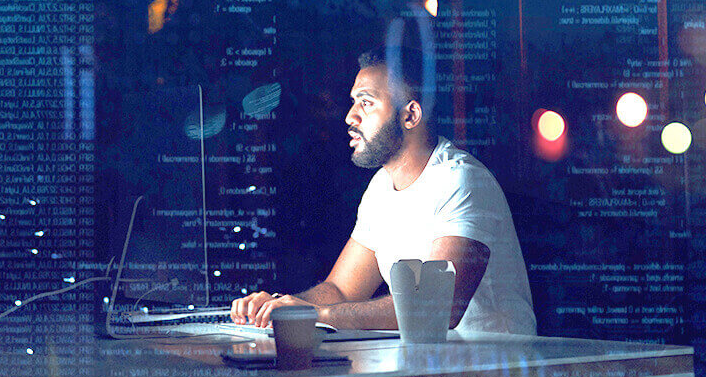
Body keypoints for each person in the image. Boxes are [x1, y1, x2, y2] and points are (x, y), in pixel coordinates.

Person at [230, 46, 537, 335]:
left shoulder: (461, 180)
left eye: (366, 103)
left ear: (410, 115)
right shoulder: (380, 188)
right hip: (430, 365)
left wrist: (315, 315)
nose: (350, 117)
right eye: (353, 102)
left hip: (496, 367)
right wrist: (277, 306)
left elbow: (437, 308)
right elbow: (341, 290)